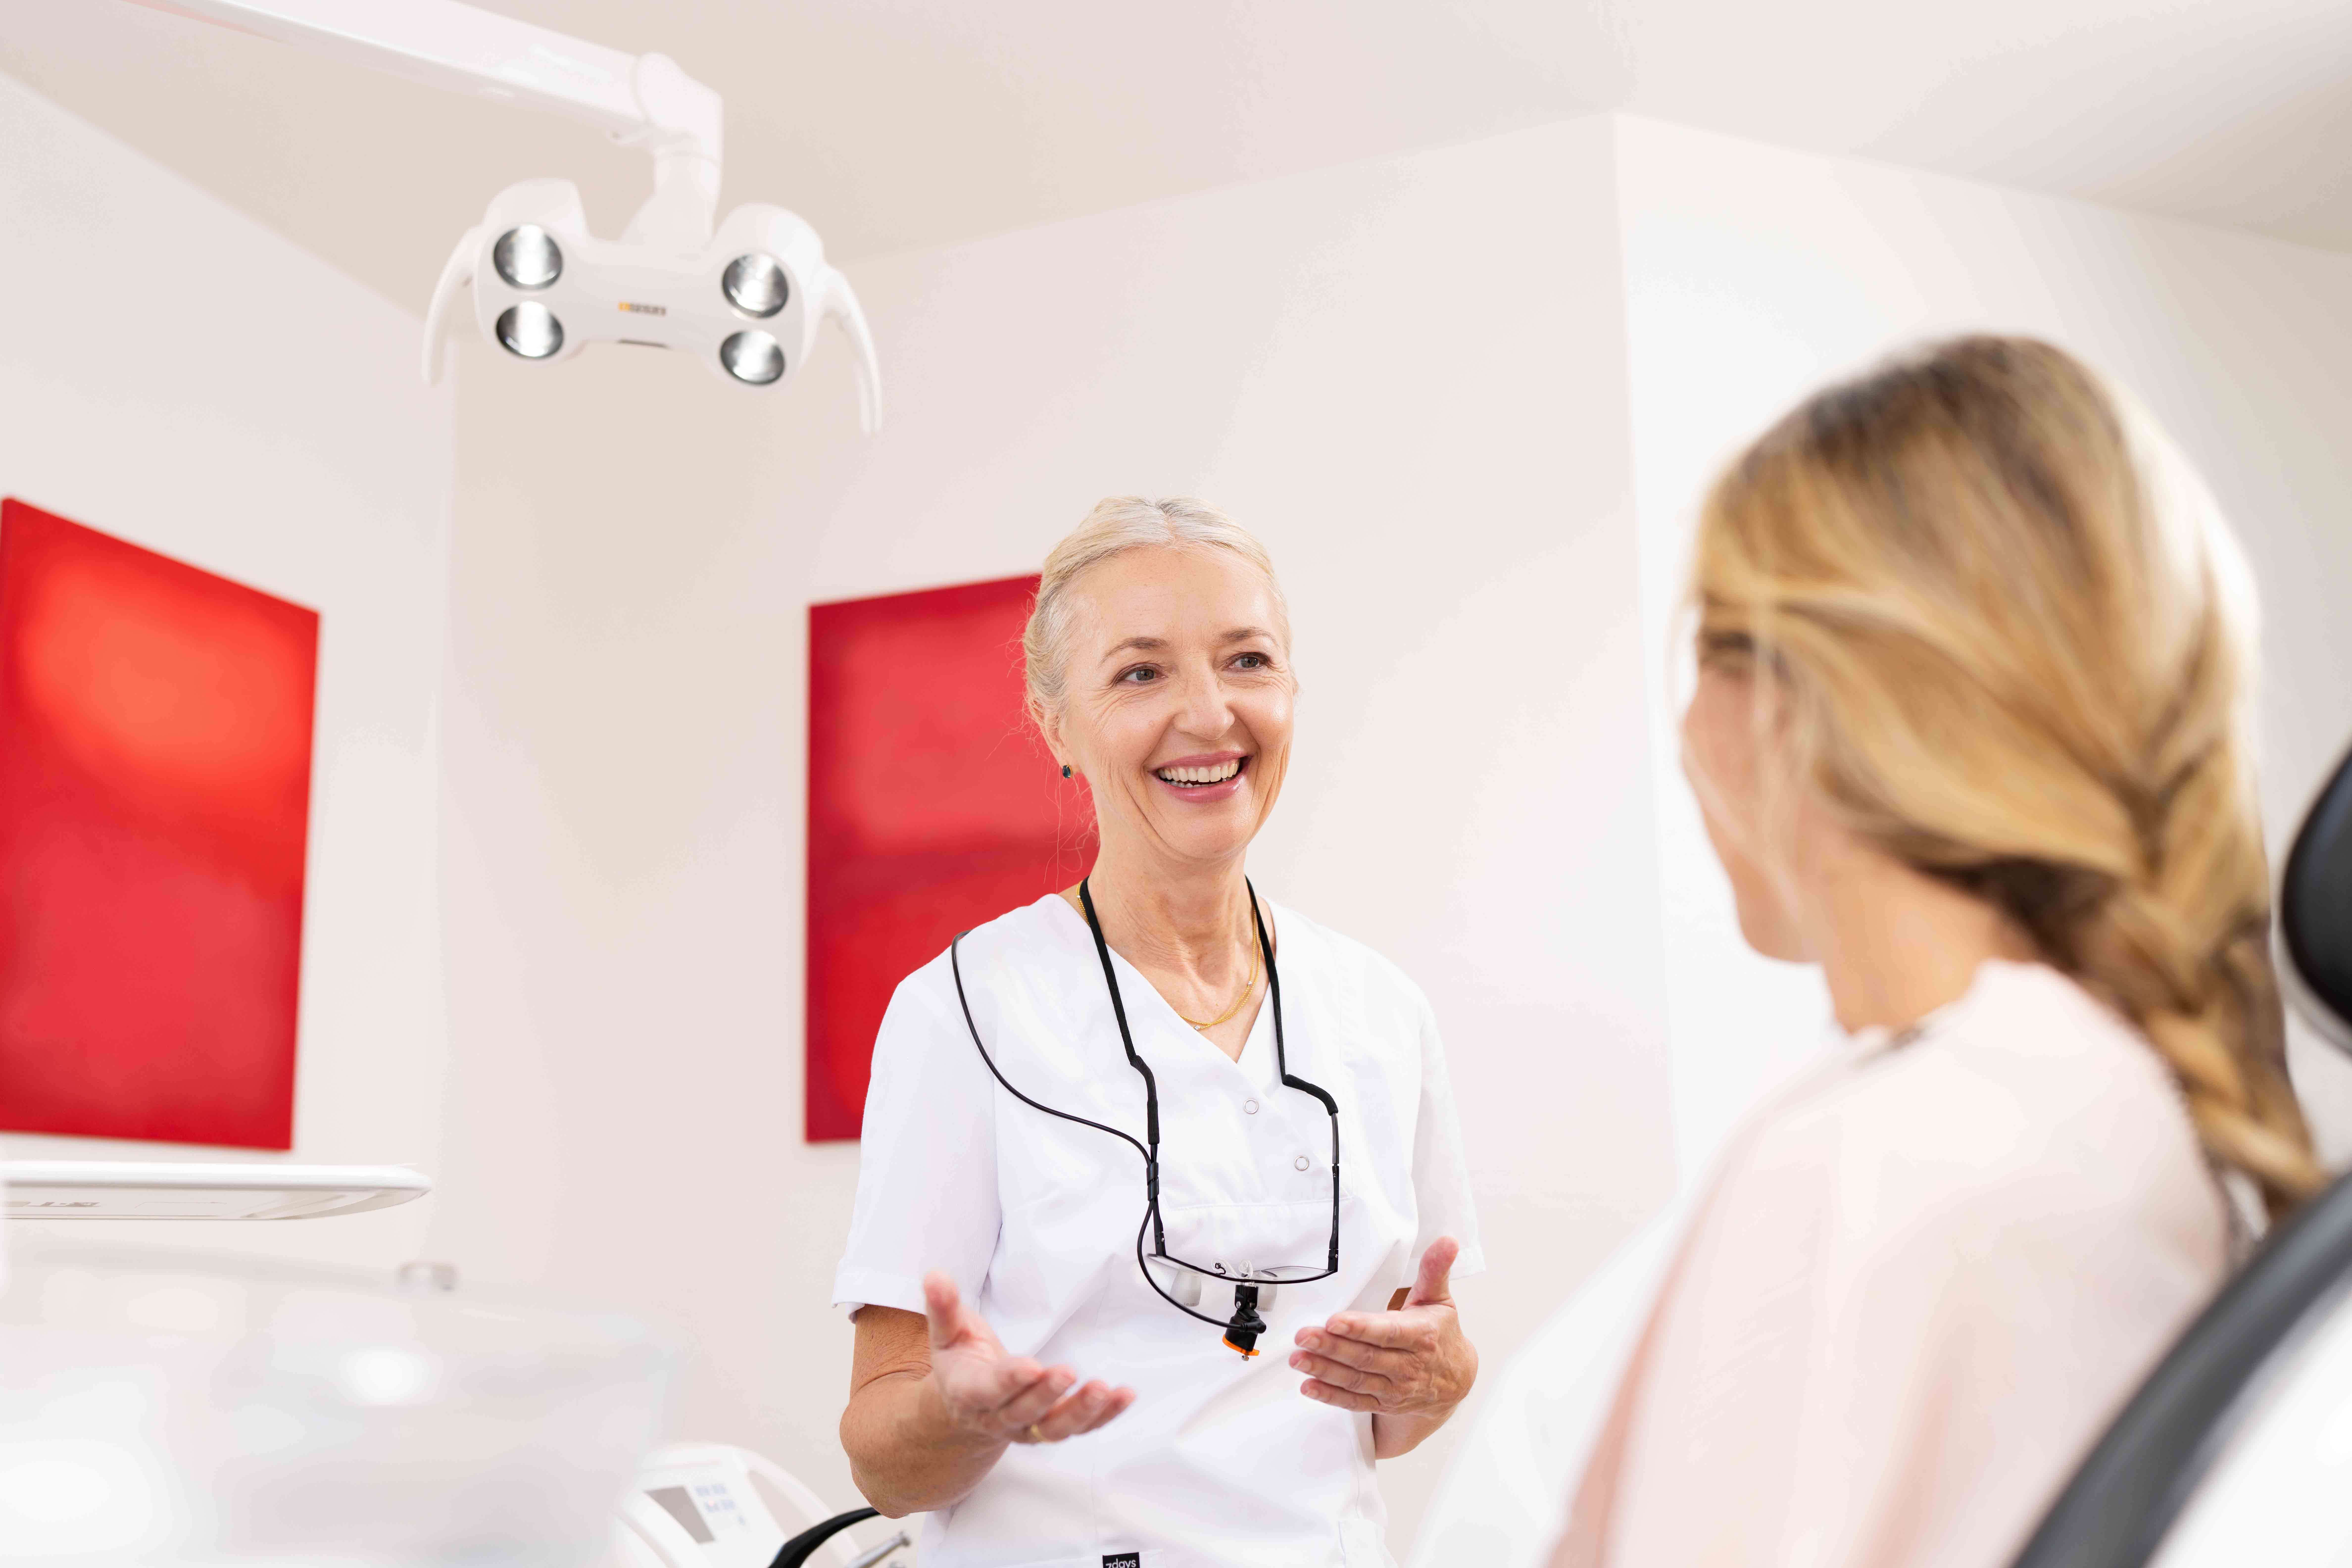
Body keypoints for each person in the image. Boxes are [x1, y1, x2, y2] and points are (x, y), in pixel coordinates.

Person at [1546, 337, 2327, 1567]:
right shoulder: (2126, 1111)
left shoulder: (1868, 1161)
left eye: (1707, 653)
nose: (1688, 725)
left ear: (1809, 703)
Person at [833, 496, 1485, 1567]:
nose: (1210, 715)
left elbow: (1385, 1419)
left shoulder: (1382, 1013)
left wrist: (1440, 1379)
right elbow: (883, 1458)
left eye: (1247, 662)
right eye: (1141, 673)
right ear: (1057, 726)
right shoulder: (965, 1007)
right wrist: (961, 1414)